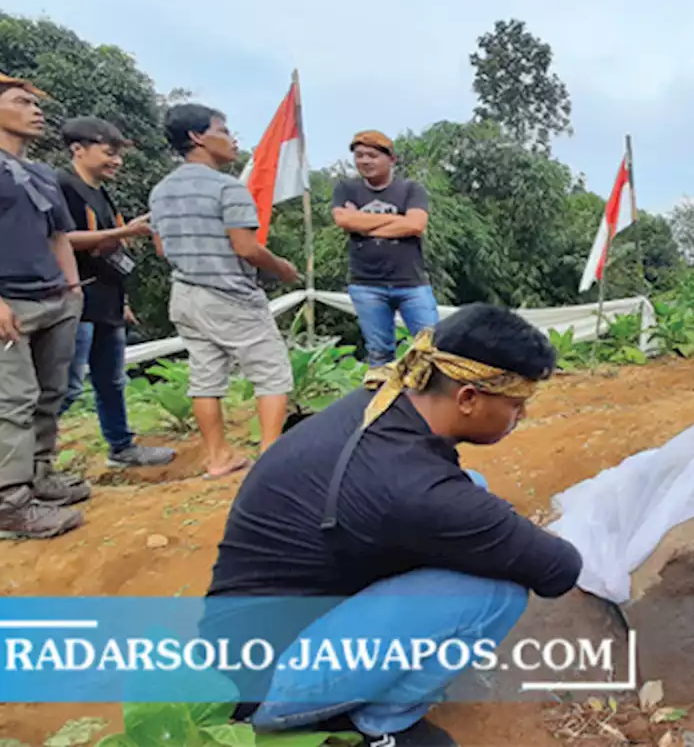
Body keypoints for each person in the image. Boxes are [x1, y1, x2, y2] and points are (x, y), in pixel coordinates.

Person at [202, 303, 583, 747]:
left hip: (243, 637)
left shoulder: (384, 402)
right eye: (516, 405)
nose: (521, 417)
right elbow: (558, 570)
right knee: (496, 593)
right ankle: (382, 725)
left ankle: (353, 687)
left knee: (472, 491)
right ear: (467, 398)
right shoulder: (415, 487)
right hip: (261, 683)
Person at [148, 103, 299, 479]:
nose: (233, 140)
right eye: (224, 130)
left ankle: (218, 457)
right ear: (197, 137)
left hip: (185, 294)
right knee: (271, 372)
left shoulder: (161, 191)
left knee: (205, 375)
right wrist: (282, 268)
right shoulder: (229, 188)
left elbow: (161, 248)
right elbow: (246, 247)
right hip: (230, 294)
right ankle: (271, 457)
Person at [0, 73, 88, 539]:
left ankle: (41, 477)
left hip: (54, 298)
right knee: (15, 400)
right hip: (3, 301)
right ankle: (13, 506)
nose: (36, 110)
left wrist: (72, 291)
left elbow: (58, 235)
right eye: (23, 102)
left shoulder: (42, 173)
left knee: (49, 395)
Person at [56, 116, 176, 468]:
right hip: (76, 300)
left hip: (107, 299)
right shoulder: (61, 185)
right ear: (78, 149)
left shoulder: (102, 194)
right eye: (109, 153)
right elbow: (61, 239)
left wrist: (122, 300)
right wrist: (125, 234)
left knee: (111, 380)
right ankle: (24, 459)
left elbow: (110, 247)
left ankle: (121, 446)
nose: (117, 161)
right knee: (67, 387)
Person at [331, 130, 438, 372]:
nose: (365, 161)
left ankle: (433, 404)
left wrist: (361, 222)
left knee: (432, 348)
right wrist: (395, 222)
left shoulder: (411, 189)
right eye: (359, 156)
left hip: (411, 283)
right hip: (366, 285)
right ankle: (382, 405)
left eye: (372, 155)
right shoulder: (346, 188)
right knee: (379, 353)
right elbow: (343, 221)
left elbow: (415, 225)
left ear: (391, 159)